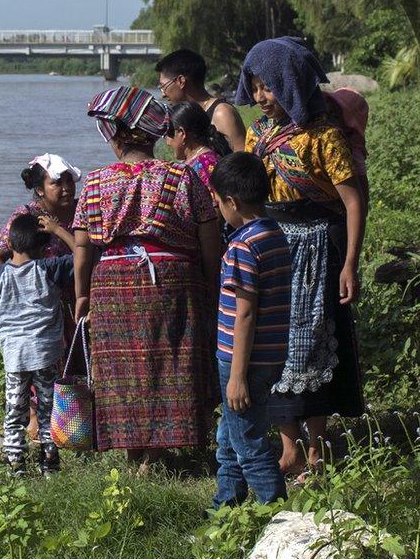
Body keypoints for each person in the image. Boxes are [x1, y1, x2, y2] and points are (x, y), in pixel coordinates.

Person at [73, 85, 223, 463]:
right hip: (174, 281)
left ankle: (135, 453)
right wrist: (210, 284)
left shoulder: (94, 182)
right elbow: (209, 236)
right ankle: (162, 450)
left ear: (119, 135)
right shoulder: (182, 176)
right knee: (168, 361)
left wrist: (82, 295)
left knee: (121, 369)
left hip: (111, 282)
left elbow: (82, 249)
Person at [240, 37, 367, 477]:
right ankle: (288, 446)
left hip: (319, 249)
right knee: (273, 346)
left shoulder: (325, 137)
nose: (260, 98)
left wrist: (349, 263)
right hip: (274, 249)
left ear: (291, 84)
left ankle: (318, 445)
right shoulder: (258, 134)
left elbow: (353, 203)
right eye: (254, 88)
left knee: (312, 343)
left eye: (268, 88)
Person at [210, 152, 293, 507]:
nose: (217, 209)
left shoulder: (242, 246)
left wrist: (237, 376)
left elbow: (244, 314)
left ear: (232, 201)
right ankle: (224, 508)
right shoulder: (274, 234)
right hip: (270, 355)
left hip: (243, 360)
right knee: (230, 437)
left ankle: (276, 515)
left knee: (250, 446)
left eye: (217, 202)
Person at [0, 214, 77, 475]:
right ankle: (49, 464)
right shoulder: (49, 268)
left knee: (15, 411)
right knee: (48, 409)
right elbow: (83, 254)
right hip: (46, 353)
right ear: (43, 247)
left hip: (15, 357)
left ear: (12, 243)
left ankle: (15, 465)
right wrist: (59, 229)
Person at [0, 154, 81, 271]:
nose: (66, 188)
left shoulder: (82, 209)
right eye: (57, 183)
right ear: (40, 190)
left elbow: (88, 254)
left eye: (69, 180)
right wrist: (11, 284)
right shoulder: (28, 215)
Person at [158, 48, 246, 152]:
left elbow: (244, 161)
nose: (162, 94)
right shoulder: (186, 116)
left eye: (164, 86)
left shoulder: (222, 113)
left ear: (181, 81)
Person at [165, 101, 230, 194]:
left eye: (168, 134)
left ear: (182, 133)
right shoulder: (200, 161)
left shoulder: (206, 164)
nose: (167, 142)